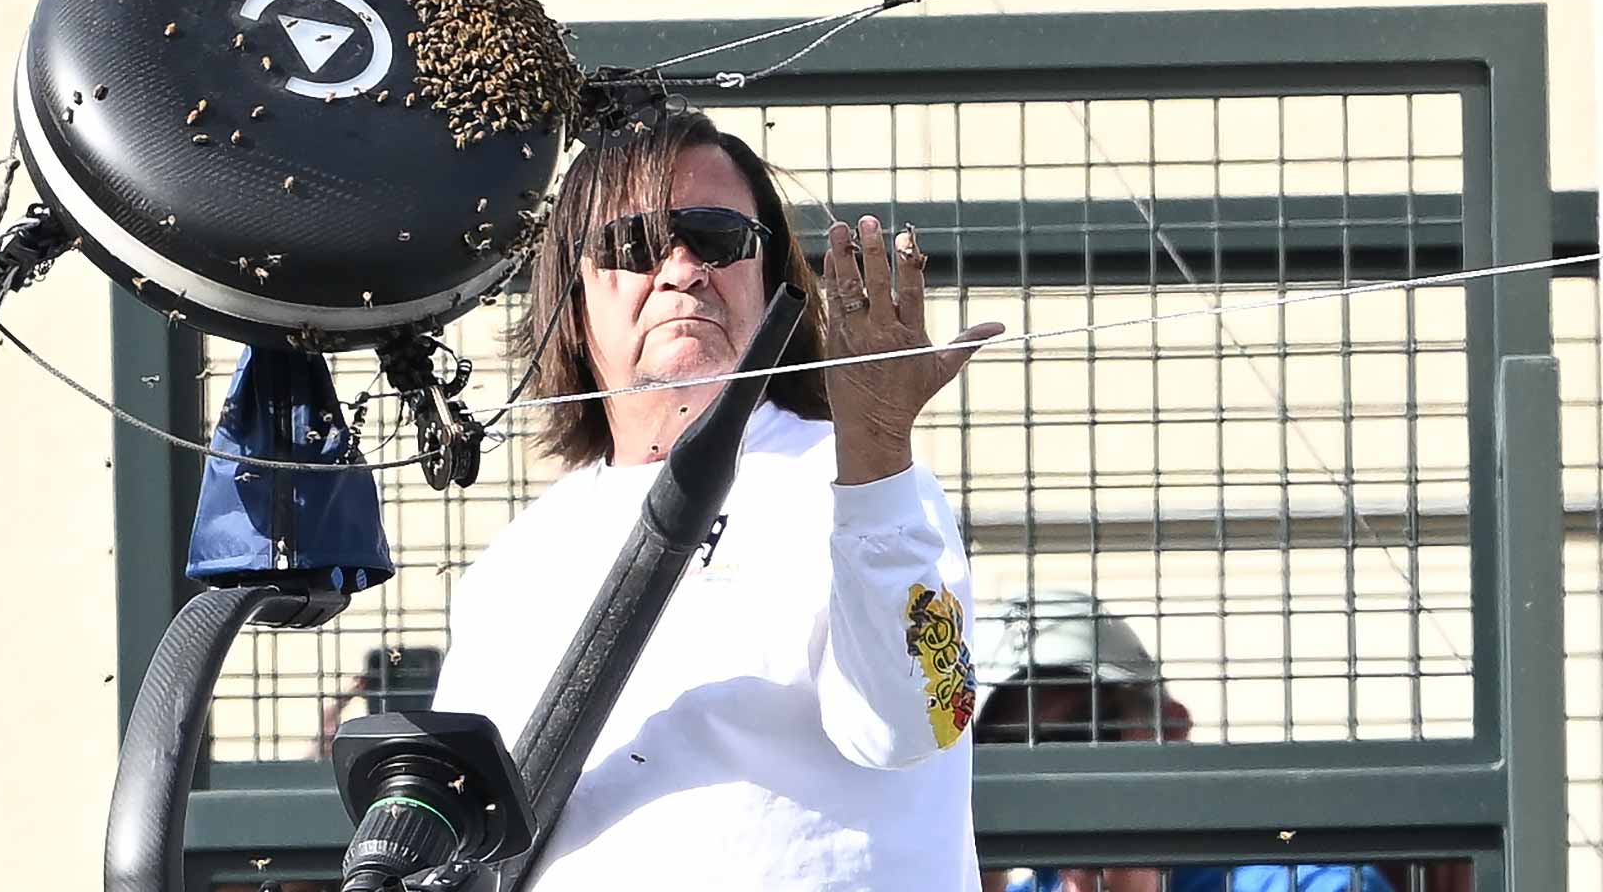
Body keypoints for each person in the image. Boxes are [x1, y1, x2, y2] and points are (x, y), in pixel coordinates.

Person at [430, 109, 1005, 890]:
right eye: (633, 244)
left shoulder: (856, 482)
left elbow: (919, 720)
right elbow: (470, 844)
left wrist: (875, 449)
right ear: (568, 299)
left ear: (771, 279)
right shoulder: (520, 557)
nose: (682, 268)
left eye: (717, 237)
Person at [973, 590, 1399, 892]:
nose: (1052, 770)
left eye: (1082, 732)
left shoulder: (1312, 885)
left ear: (1171, 728)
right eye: (1007, 750)